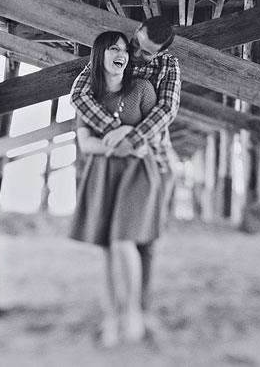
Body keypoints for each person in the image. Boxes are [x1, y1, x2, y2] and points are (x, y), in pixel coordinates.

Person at [70, 16, 180, 319]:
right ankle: (118, 311)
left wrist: (130, 138)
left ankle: (138, 310)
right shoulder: (114, 55)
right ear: (136, 33)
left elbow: (167, 109)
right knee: (115, 241)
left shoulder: (164, 68)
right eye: (136, 46)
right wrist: (114, 130)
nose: (136, 55)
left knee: (144, 241)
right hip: (113, 162)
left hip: (153, 158)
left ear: (159, 53)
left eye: (146, 53)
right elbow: (78, 96)